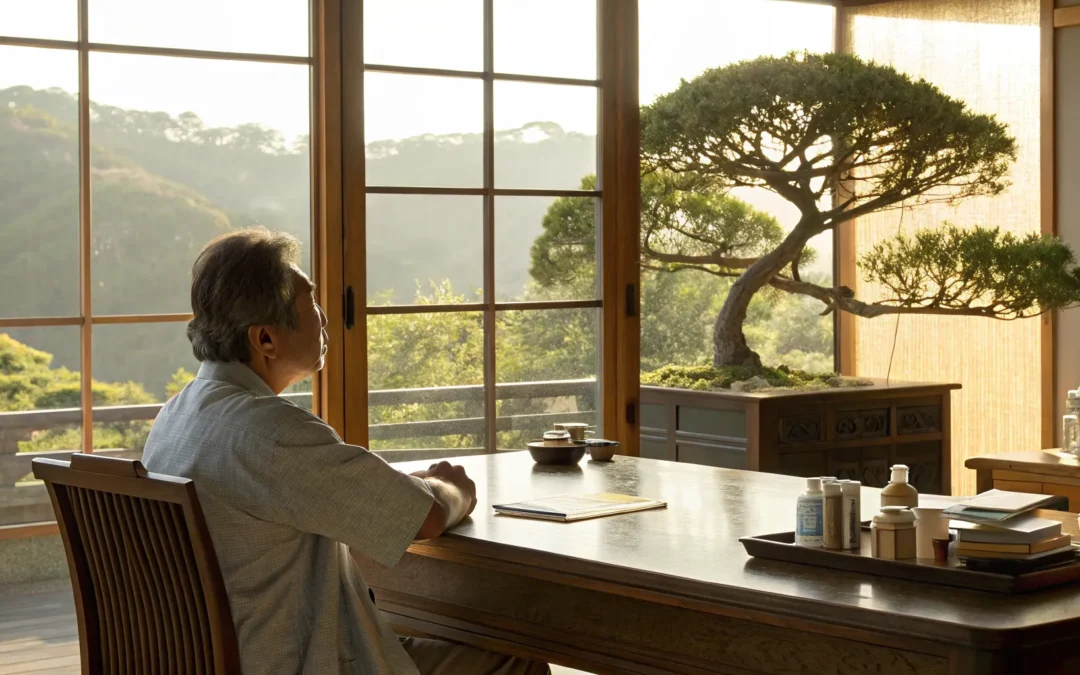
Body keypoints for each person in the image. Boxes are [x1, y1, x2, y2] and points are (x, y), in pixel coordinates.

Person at [143, 228, 550, 675]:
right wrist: (454, 487)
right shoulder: (274, 434)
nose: (324, 318)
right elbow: (425, 517)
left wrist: (402, 485)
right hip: (301, 663)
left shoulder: (176, 416)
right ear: (265, 340)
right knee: (518, 662)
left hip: (218, 660)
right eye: (311, 304)